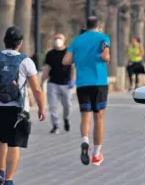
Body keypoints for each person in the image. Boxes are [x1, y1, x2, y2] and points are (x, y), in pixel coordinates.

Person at [0, 26, 45, 185]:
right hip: (18, 108)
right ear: (20, 43)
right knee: (14, 144)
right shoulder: (26, 61)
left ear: (5, 41)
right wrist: (41, 107)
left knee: (2, 139)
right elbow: (36, 88)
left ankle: (0, 172)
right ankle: (9, 182)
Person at [63, 16, 111, 166]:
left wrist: (79, 59)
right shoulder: (103, 37)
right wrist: (102, 57)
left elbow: (65, 60)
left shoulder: (77, 40)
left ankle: (85, 141)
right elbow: (105, 56)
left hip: (82, 83)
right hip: (99, 82)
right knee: (99, 118)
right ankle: (96, 154)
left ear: (85, 25)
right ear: (99, 25)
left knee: (85, 117)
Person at [41, 34, 75, 134]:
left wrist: (72, 80)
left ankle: (66, 118)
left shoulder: (69, 53)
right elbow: (47, 68)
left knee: (67, 105)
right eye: (56, 38)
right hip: (53, 83)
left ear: (64, 41)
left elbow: (73, 67)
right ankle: (55, 125)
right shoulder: (50, 54)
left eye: (60, 38)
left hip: (66, 83)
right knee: (52, 106)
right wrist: (42, 81)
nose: (57, 40)